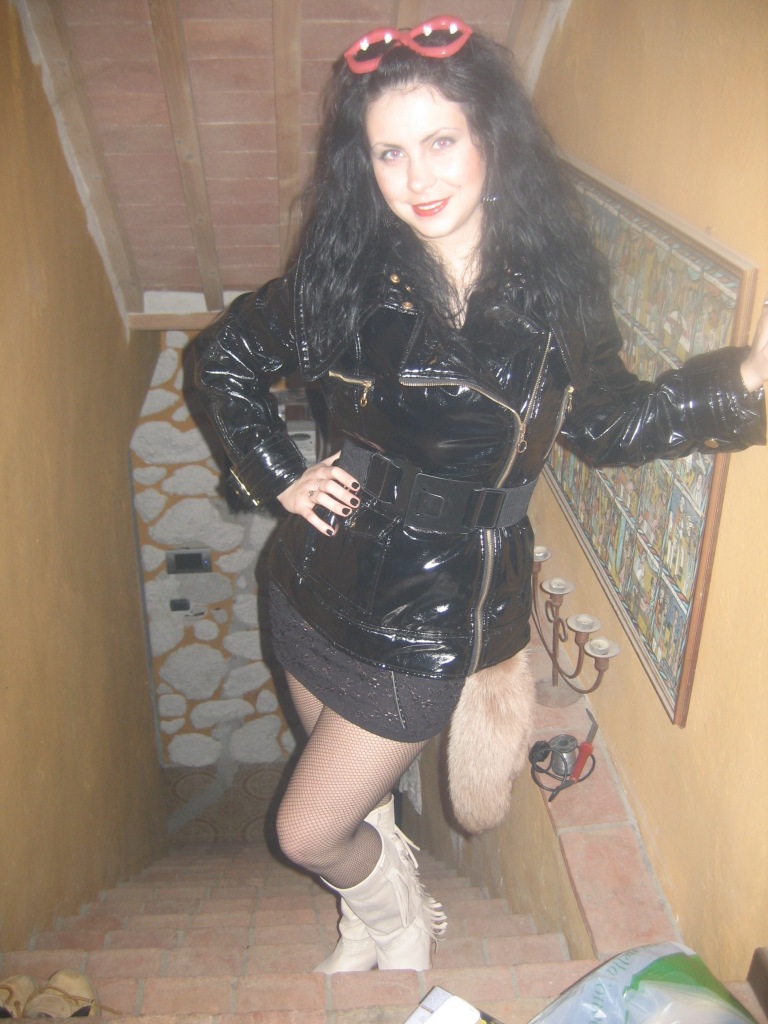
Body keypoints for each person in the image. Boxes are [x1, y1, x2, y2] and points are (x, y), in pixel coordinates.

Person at [194, 15, 768, 974]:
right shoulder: (345, 275)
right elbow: (224, 358)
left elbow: (610, 425)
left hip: (435, 612)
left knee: (306, 829)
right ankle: (374, 915)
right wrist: (280, 474)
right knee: (355, 799)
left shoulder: (557, 291)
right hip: (308, 582)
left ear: (490, 140)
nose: (416, 176)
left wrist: (744, 379)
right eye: (389, 153)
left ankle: (397, 917)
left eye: (440, 142)